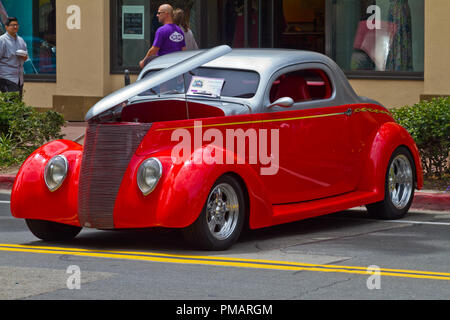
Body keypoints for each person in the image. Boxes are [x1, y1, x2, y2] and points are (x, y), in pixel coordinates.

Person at [139, 4, 186, 69]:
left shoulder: (161, 30)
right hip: (176, 69)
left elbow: (154, 50)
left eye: (159, 13)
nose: (157, 15)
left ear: (166, 14)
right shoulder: (179, 30)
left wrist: (143, 61)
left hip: (163, 68)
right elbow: (183, 50)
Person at [0, 17, 28, 99]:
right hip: (6, 77)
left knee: (18, 104)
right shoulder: (2, 40)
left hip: (19, 78)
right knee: (12, 103)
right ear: (6, 27)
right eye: (12, 25)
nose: (15, 27)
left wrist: (24, 56)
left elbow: (26, 58)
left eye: (16, 25)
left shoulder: (21, 40)